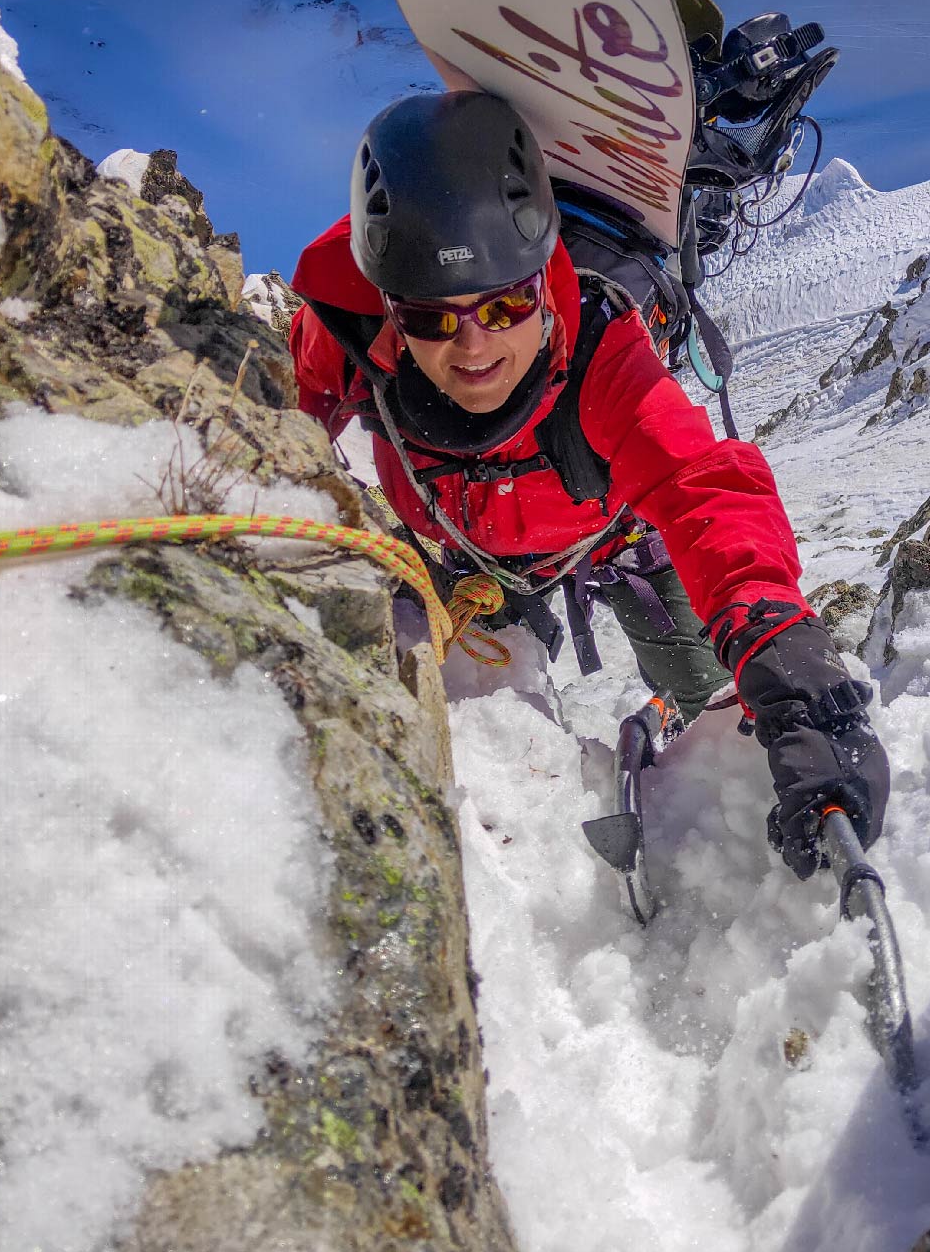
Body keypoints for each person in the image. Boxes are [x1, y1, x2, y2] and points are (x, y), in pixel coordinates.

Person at [288, 89, 889, 877]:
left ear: (544, 280)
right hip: (459, 556)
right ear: (391, 306)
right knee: (476, 719)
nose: (473, 348)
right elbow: (275, 430)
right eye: (434, 319)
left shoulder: (604, 354)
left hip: (615, 542)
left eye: (504, 306)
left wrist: (789, 664)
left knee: (714, 701)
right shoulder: (350, 331)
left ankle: (676, 722)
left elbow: (699, 485)